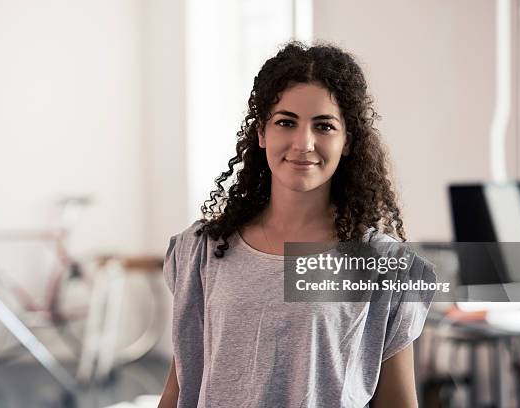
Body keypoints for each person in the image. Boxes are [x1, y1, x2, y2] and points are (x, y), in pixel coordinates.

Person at [158, 40, 435, 408]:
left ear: (347, 141)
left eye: (324, 126)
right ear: (261, 133)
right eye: (286, 122)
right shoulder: (202, 251)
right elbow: (178, 392)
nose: (303, 143)